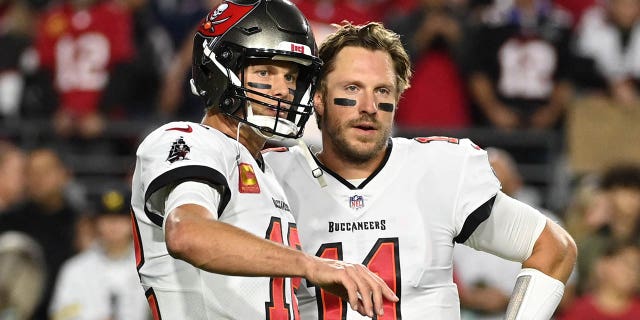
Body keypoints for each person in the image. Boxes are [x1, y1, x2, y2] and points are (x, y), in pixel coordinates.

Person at [263, 21, 577, 319]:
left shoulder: (436, 169)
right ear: (318, 97)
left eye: (383, 91)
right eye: (353, 88)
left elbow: (554, 248)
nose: (369, 106)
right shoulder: (273, 174)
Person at [130, 1, 397, 319]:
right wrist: (311, 264)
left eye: (291, 75)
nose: (283, 89)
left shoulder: (266, 170)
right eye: (265, 71)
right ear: (217, 70)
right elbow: (187, 233)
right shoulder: (188, 138)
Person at [49, 188, 149, 320]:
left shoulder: (149, 267)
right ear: (96, 223)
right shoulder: (74, 269)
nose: (113, 226)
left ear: (133, 222)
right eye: (107, 218)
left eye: (120, 218)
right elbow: (59, 315)